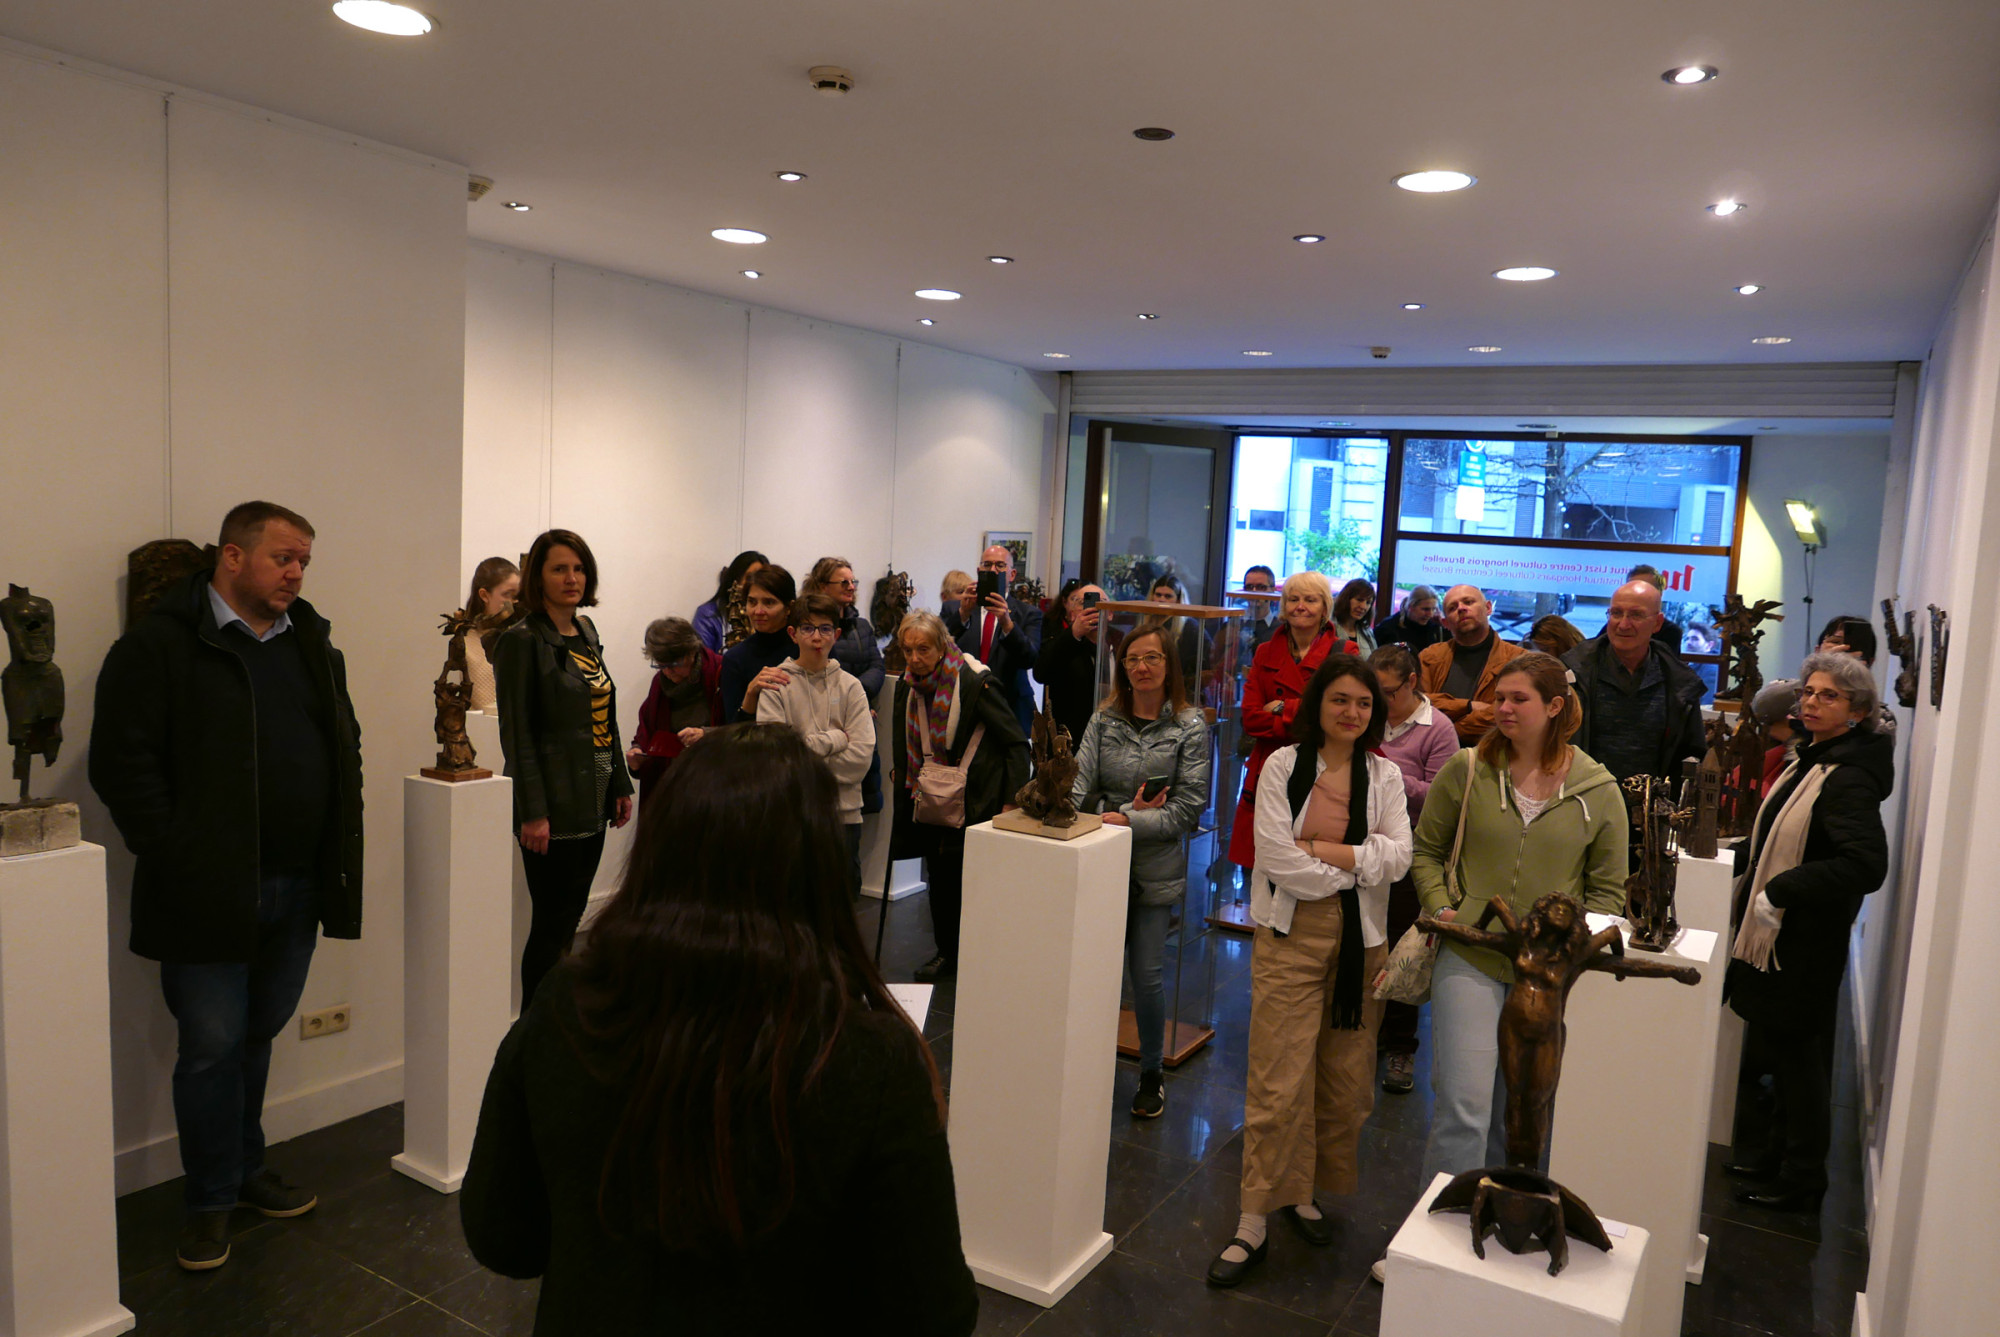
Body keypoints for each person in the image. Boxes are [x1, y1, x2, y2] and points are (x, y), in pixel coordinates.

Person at [461, 724, 978, 1335]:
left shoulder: (566, 1005)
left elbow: (504, 1237)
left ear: (661, 847)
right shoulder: (870, 1059)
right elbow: (934, 1312)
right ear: (815, 868)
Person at [90, 501, 363, 1271]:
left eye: (304, 560)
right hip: (206, 889)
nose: (296, 573)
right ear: (232, 556)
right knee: (210, 1048)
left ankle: (244, 1169)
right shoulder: (159, 645)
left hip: (297, 885)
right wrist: (175, 850)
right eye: (283, 557)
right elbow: (121, 762)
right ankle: (209, 1199)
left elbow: (343, 743)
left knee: (256, 1033)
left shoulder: (310, 640)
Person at [1207, 655, 1413, 1289]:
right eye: (1340, 700)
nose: (1352, 712)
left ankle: (1302, 1191)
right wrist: (1354, 867)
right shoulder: (1282, 766)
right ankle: (1252, 1219)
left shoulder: (1384, 775)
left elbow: (1399, 858)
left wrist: (1324, 851)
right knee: (1278, 1079)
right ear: (1318, 704)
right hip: (1290, 937)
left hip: (1363, 945)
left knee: (1344, 1082)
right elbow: (1275, 858)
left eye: (1363, 703)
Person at [1406, 653, 1626, 1230]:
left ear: (1554, 707)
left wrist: (1572, 945)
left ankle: (1506, 1224)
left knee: (1524, 1112)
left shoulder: (1598, 789)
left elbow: (1609, 890)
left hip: (1548, 978)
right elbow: (1426, 850)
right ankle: (1438, 1234)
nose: (1502, 708)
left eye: (1517, 699)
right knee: (1463, 1105)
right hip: (1471, 955)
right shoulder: (1467, 768)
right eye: (1499, 697)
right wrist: (1444, 907)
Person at [1723, 654, 1892, 1213]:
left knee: (1798, 1059)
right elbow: (1775, 832)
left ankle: (1802, 1175)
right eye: (1810, 692)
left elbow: (1865, 865)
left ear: (1857, 712)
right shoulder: (1813, 759)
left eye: (1829, 696)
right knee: (1781, 1051)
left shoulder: (1848, 776)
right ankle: (1776, 1156)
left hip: (1804, 938)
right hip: (1784, 936)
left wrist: (1781, 888)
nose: (1813, 702)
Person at [1070, 625, 1211, 1119]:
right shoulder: (1104, 719)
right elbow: (1076, 788)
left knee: (1146, 976)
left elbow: (1188, 808)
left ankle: (1152, 1071)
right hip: (1097, 863)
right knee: (1092, 972)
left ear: (1169, 665)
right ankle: (1085, 1065)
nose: (1141, 667)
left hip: (1153, 869)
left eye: (1152, 658)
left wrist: (1126, 819)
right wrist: (1112, 812)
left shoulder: (1189, 726)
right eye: (1132, 658)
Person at [495, 529, 636, 1009]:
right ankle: (535, 1025)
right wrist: (533, 811)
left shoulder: (586, 632)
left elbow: (604, 718)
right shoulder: (520, 641)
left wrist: (619, 783)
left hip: (593, 792)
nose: (571, 578)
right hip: (552, 803)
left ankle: (557, 1017)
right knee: (551, 924)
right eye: (559, 569)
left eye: (578, 569)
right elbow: (517, 735)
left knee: (571, 918)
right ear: (538, 577)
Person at [888, 611, 1030, 982]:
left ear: (942, 646)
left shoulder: (974, 682)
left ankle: (982, 954)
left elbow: (1016, 742)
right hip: (932, 797)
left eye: (923, 649)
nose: (915, 658)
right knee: (940, 879)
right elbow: (902, 743)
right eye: (908, 650)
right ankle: (947, 953)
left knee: (977, 883)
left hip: (977, 798)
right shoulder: (908, 685)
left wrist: (1012, 802)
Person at [1368, 644, 1460, 1095]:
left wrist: (1387, 776)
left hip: (1413, 853)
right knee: (1366, 944)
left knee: (1403, 951)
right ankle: (1366, 1033)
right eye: (1375, 692)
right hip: (1364, 850)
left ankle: (1402, 1046)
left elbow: (1442, 797)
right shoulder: (1367, 715)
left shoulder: (1437, 728)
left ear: (1411, 683)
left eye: (1388, 693)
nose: (1380, 702)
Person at [1228, 572, 1357, 871]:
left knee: (1309, 866)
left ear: (1324, 609)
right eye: (1293, 599)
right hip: (1267, 769)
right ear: (1284, 606)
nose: (1300, 606)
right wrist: (1305, 718)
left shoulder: (1345, 652)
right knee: (1261, 869)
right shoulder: (1264, 652)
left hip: (1321, 769)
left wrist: (1281, 707)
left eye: (1310, 600)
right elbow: (1251, 719)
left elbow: (1338, 715)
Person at [757, 592, 877, 900]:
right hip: (791, 816)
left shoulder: (852, 687)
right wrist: (836, 739)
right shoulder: (775, 685)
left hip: (843, 816)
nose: (816, 637)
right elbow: (776, 758)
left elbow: (860, 760)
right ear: (793, 633)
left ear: (836, 634)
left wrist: (803, 752)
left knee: (841, 907)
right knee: (791, 907)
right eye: (808, 628)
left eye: (825, 629)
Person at [1561, 580, 1707, 787]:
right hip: (1584, 798)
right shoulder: (1573, 673)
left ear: (1657, 623)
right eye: (1616, 613)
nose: (1623, 624)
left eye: (1636, 615)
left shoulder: (1679, 682)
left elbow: (1692, 755)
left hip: (1654, 802)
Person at [805, 556, 888, 812]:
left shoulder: (861, 626)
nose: (851, 587)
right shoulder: (810, 630)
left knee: (859, 807)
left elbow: (877, 666)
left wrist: (856, 696)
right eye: (844, 582)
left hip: (860, 719)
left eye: (853, 582)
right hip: (824, 721)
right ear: (822, 586)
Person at [627, 617, 723, 811]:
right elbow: (646, 733)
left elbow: (744, 729)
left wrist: (706, 734)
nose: (668, 672)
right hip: (673, 790)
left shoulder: (721, 673)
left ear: (692, 652)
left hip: (715, 786)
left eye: (675, 664)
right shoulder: (659, 684)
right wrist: (637, 755)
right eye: (661, 665)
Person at [949, 544, 1044, 738]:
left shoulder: (1028, 614)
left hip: (1010, 708)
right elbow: (941, 647)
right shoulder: (956, 609)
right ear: (979, 571)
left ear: (1012, 574)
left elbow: (1030, 658)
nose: (993, 570)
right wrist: (963, 615)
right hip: (966, 705)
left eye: (1000, 565)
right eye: (987, 565)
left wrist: (1007, 624)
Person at [1418, 585, 1527, 742]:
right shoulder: (1430, 657)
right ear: (1445, 622)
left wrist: (1449, 732)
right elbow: (1417, 705)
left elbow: (1507, 713)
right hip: (1435, 752)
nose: (1461, 608)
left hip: (1494, 751)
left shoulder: (1518, 660)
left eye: (1468, 602)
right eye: (1452, 608)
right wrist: (1468, 706)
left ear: (1488, 608)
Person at [719, 564, 797, 723]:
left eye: (769, 603)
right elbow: (732, 729)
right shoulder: (735, 659)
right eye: (752, 602)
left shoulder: (810, 648)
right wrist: (751, 692)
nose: (758, 611)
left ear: (789, 607)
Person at [1034, 578, 1107, 747]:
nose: (1094, 609)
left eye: (1101, 603)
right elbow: (1041, 673)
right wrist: (1074, 633)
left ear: (1110, 614)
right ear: (1072, 614)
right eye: (1083, 603)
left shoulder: (1117, 644)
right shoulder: (1064, 644)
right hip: (1070, 740)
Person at [462, 556, 520, 712]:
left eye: (518, 596)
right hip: (480, 725)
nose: (515, 603)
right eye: (508, 594)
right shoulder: (465, 642)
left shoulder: (523, 637)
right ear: (484, 595)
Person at [693, 549, 768, 653]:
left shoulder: (766, 614)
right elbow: (702, 658)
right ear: (735, 579)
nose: (755, 583)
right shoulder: (708, 614)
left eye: (761, 578)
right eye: (749, 578)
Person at [1147, 572, 1208, 695]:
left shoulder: (1190, 627)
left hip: (1180, 691)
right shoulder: (1145, 623)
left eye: (1168, 596)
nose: (1161, 599)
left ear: (1178, 600)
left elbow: (1203, 667)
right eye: (1158, 595)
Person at [1371, 584, 1448, 656]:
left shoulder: (1436, 627)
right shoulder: (1388, 628)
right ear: (1410, 607)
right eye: (1425, 609)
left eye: (1433, 609)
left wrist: (1444, 625)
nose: (1430, 614)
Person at [1626, 564, 1686, 654]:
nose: (1636, 593)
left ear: (1659, 594)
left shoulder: (1670, 632)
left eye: (1643, 589)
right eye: (1631, 589)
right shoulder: (1615, 625)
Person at [1331, 578, 1378, 655]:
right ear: (1346, 599)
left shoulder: (1367, 632)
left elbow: (1375, 659)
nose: (1363, 606)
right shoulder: (1329, 628)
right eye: (1359, 600)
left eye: (1368, 602)